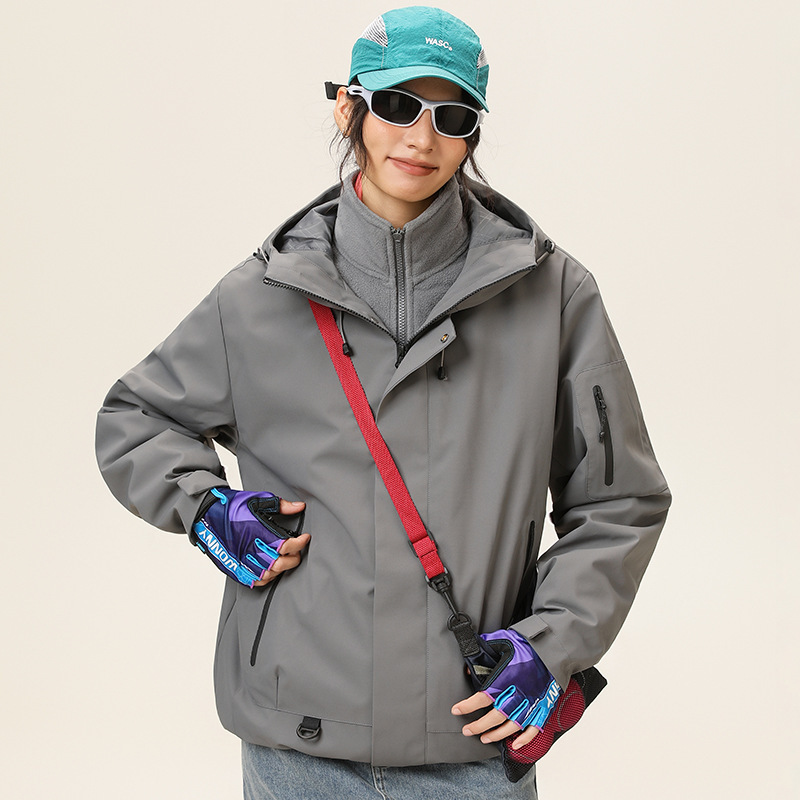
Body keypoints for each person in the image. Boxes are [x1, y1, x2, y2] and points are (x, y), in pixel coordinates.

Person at [96, 7, 671, 799]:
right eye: (399, 105)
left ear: (472, 134)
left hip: (471, 743)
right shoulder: (259, 296)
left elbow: (620, 502)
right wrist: (205, 508)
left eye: (452, 117)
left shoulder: (554, 297)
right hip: (295, 743)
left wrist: (553, 643)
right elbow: (136, 418)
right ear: (349, 108)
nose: (421, 139)